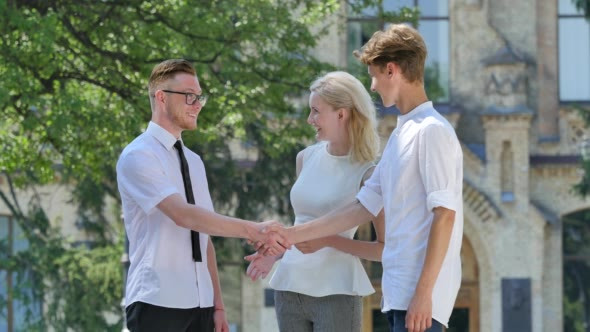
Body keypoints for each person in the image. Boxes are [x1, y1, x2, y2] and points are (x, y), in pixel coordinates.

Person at [262, 24, 464, 332]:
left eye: (374, 75)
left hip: (421, 302)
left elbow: (445, 216)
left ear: (392, 70)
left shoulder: (432, 131)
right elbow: (361, 207)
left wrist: (424, 295)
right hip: (400, 296)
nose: (372, 86)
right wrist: (289, 236)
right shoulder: (401, 135)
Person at [116, 59, 287, 331]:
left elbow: (203, 236)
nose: (198, 104)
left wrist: (218, 305)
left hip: (202, 306)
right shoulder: (138, 155)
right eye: (189, 96)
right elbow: (184, 216)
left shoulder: (194, 162)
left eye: (199, 97)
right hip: (157, 302)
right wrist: (254, 230)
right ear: (161, 97)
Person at [245, 71, 385, 332]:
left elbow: (383, 249)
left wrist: (331, 240)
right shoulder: (305, 157)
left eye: (316, 111)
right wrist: (273, 255)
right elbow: (303, 226)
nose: (310, 120)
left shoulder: (370, 174)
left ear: (341, 114)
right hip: (289, 288)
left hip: (336, 292)